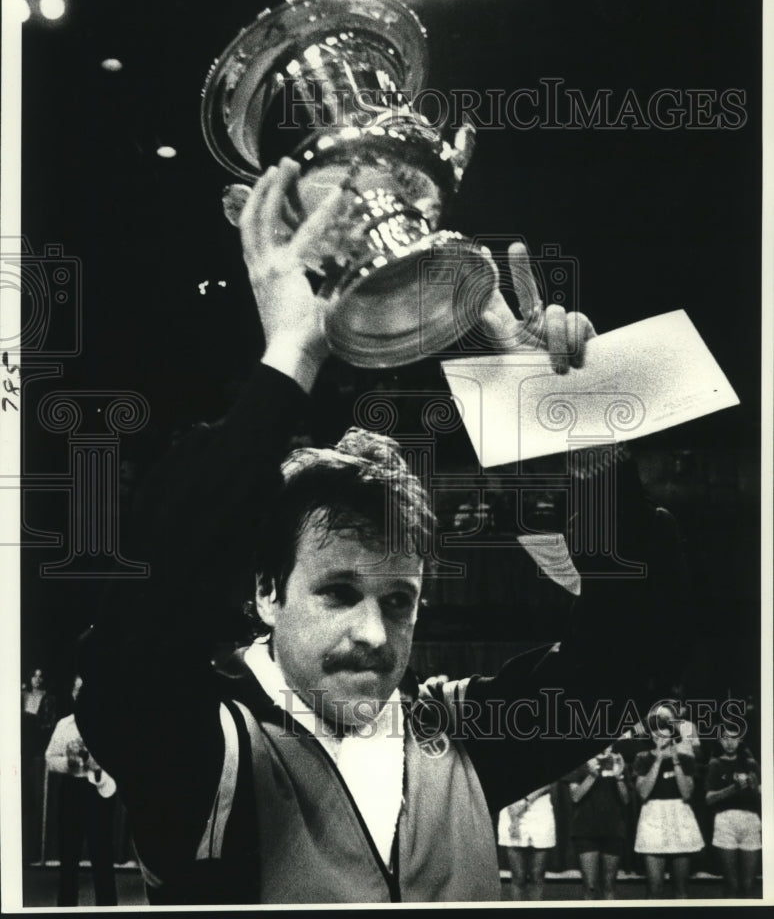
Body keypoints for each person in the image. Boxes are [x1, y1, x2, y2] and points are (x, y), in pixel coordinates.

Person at [76, 157, 685, 905]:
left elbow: (638, 645)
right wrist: (290, 356)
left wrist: (563, 412)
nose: (375, 632)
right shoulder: (197, 741)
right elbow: (146, 606)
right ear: (266, 593)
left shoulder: (460, 732)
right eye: (338, 591)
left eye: (399, 600)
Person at [45, 676, 118, 906]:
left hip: (98, 793)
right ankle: (66, 908)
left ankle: (108, 909)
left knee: (102, 858)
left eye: (86, 692)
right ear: (73, 695)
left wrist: (98, 766)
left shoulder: (107, 725)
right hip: (71, 793)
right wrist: (69, 762)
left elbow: (118, 761)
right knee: (69, 858)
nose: (81, 696)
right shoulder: (64, 725)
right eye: (77, 691)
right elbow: (49, 759)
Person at [633, 706, 704, 898]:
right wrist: (657, 762)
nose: (660, 740)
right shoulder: (643, 758)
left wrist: (675, 761)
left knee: (681, 890)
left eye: (664, 736)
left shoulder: (685, 759)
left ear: (673, 737)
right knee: (654, 890)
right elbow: (643, 793)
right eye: (656, 736)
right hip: (652, 817)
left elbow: (687, 793)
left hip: (680, 816)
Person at [705, 722, 761, 897]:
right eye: (725, 738)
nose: (729, 743)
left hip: (750, 820)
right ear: (720, 741)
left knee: (749, 883)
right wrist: (733, 789)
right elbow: (709, 799)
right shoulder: (714, 763)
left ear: (740, 740)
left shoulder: (751, 763)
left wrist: (754, 787)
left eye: (733, 738)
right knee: (731, 883)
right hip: (725, 820)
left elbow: (763, 797)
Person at [566, 746, 629, 900]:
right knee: (590, 886)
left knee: (609, 885)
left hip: (613, 829)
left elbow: (626, 799)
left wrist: (619, 777)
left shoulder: (618, 762)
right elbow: (575, 796)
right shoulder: (580, 764)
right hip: (585, 830)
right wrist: (592, 775)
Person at [21, 668, 57, 863]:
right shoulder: (21, 694)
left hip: (37, 751)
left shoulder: (48, 699)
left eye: (41, 675)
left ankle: (37, 851)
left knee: (35, 798)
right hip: (21, 750)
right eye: (34, 674)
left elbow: (47, 725)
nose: (37, 678)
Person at [498, 785, 556, 901]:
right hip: (511, 807)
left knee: (537, 876)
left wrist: (526, 801)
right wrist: (513, 817)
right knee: (518, 876)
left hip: (540, 808)